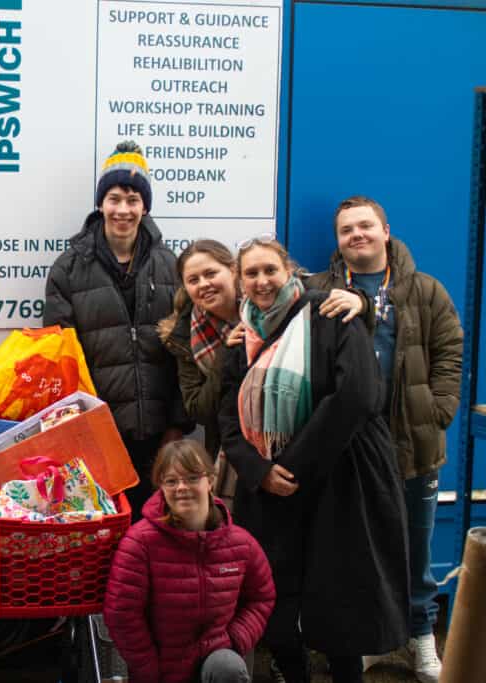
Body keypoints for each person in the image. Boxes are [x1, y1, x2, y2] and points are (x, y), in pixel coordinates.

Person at [218, 236, 409, 683]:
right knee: (275, 589)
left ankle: (346, 675)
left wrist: (295, 464)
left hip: (339, 475)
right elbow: (227, 414)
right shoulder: (242, 334)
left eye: (270, 270)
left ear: (289, 270)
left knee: (340, 589)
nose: (262, 281)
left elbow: (357, 394)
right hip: (267, 484)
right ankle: (292, 671)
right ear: (241, 282)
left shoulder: (329, 313)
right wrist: (260, 470)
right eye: (252, 273)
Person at [307, 196, 462, 682]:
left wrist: (438, 412)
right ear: (337, 241)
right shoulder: (320, 289)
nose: (357, 235)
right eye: (347, 229)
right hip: (351, 452)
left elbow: (449, 351)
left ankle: (420, 637)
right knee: (360, 550)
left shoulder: (425, 290)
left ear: (386, 230)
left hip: (414, 445)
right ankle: (373, 636)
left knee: (416, 550)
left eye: (366, 225)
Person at [44, 140, 192, 518]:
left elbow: (184, 353)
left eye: (132, 199)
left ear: (145, 206)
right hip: (96, 432)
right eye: (114, 198)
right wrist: (80, 428)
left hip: (158, 434)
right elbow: (62, 360)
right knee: (102, 532)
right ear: (100, 204)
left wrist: (177, 426)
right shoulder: (68, 268)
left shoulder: (170, 264)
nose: (123, 209)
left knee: (155, 527)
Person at [159, 240, 365, 507]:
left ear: (233, 273)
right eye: (193, 279)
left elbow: (336, 305)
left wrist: (361, 301)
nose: (204, 284)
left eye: (211, 274)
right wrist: (226, 355)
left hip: (312, 452)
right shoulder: (183, 336)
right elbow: (200, 409)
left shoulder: (278, 300)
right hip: (240, 460)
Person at [104, 439, 275, 683]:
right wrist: (148, 669)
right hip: (161, 671)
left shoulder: (241, 543)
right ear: (161, 487)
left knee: (228, 667)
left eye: (192, 478)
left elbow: (263, 596)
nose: (182, 487)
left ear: (210, 481)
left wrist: (236, 639)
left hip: (216, 662)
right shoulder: (139, 543)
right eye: (171, 481)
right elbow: (122, 613)